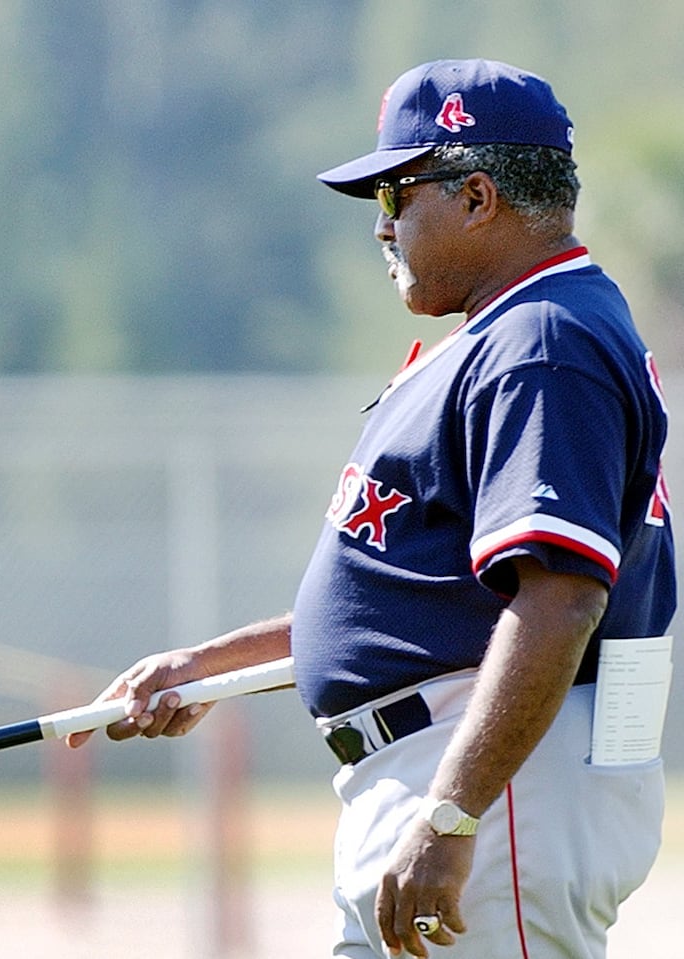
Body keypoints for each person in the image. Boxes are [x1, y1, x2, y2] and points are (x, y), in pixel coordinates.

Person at [69, 59, 674, 959]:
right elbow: (418, 604)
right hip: (459, 778)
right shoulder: (511, 332)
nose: (382, 224)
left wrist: (453, 816)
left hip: (496, 787)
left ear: (477, 196)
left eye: (397, 191)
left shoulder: (541, 340)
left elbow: (560, 599)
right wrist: (206, 663)